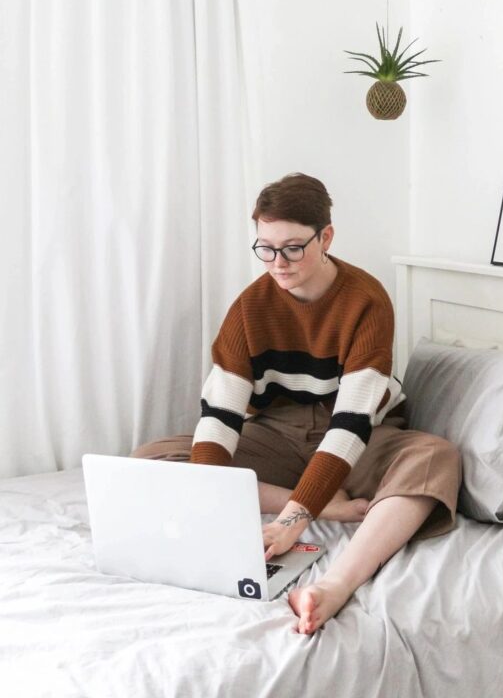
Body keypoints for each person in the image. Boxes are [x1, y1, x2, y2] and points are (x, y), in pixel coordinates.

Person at [133, 172, 461, 633]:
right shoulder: (249, 308)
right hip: (279, 432)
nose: (277, 262)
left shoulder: (366, 301)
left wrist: (292, 522)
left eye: (291, 247)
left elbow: (350, 425)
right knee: (153, 458)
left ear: (325, 236)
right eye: (265, 247)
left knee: (435, 459)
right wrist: (205, 499)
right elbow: (221, 415)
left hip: (359, 435)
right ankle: (325, 502)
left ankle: (335, 585)